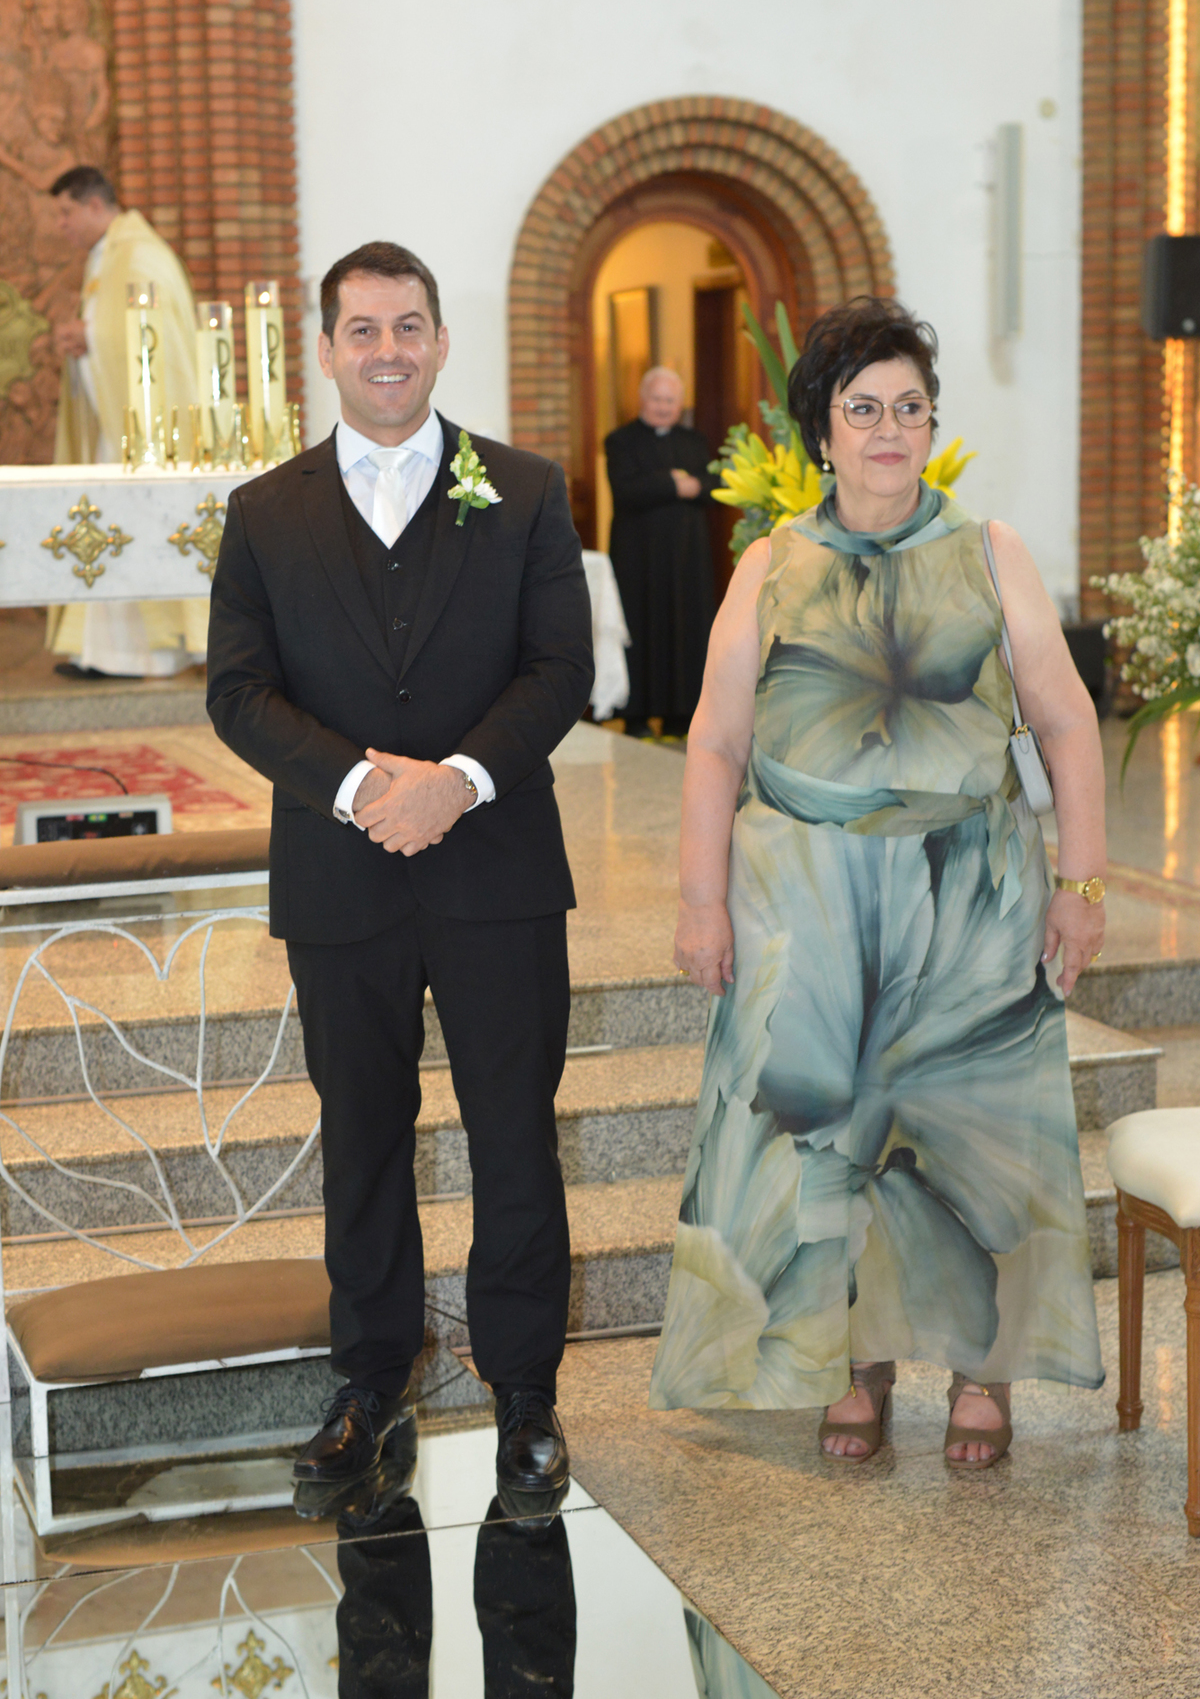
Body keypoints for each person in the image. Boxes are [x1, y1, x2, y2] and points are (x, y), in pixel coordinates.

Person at [649, 296, 1105, 1467]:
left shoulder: (989, 550)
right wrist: (701, 898)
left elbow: (1064, 722)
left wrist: (1083, 883)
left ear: (931, 424)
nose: (889, 430)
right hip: (806, 899)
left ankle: (981, 1375)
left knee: (969, 1132)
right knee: (829, 1136)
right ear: (825, 431)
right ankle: (853, 1363)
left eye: (909, 408)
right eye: (864, 410)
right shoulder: (770, 564)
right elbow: (713, 740)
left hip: (974, 896)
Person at [207, 240, 593, 1505]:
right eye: (362, 330)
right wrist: (364, 785)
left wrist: (456, 783)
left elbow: (559, 673)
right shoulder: (264, 512)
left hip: (497, 874)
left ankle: (525, 1391)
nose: (387, 351)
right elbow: (238, 691)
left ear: (439, 341)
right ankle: (370, 1380)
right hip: (343, 876)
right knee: (364, 1137)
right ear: (327, 350)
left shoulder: (526, 491)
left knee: (514, 1139)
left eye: (408, 327)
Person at [48, 164, 205, 679]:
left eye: (66, 212)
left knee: (130, 531)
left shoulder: (139, 255)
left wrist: (89, 336)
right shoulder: (107, 257)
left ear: (97, 205)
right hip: (115, 431)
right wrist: (86, 337)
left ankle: (147, 653)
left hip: (144, 434)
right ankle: (102, 653)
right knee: (103, 530)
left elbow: (150, 340)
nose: (60, 226)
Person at [605, 366, 716, 738]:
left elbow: (712, 486)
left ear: (680, 404)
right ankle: (635, 715)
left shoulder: (695, 441)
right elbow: (627, 490)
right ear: (642, 399)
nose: (663, 406)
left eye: (670, 400)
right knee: (639, 629)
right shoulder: (620, 441)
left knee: (685, 628)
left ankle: (680, 714)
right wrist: (675, 482)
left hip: (686, 558)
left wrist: (681, 484)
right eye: (657, 399)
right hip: (638, 558)